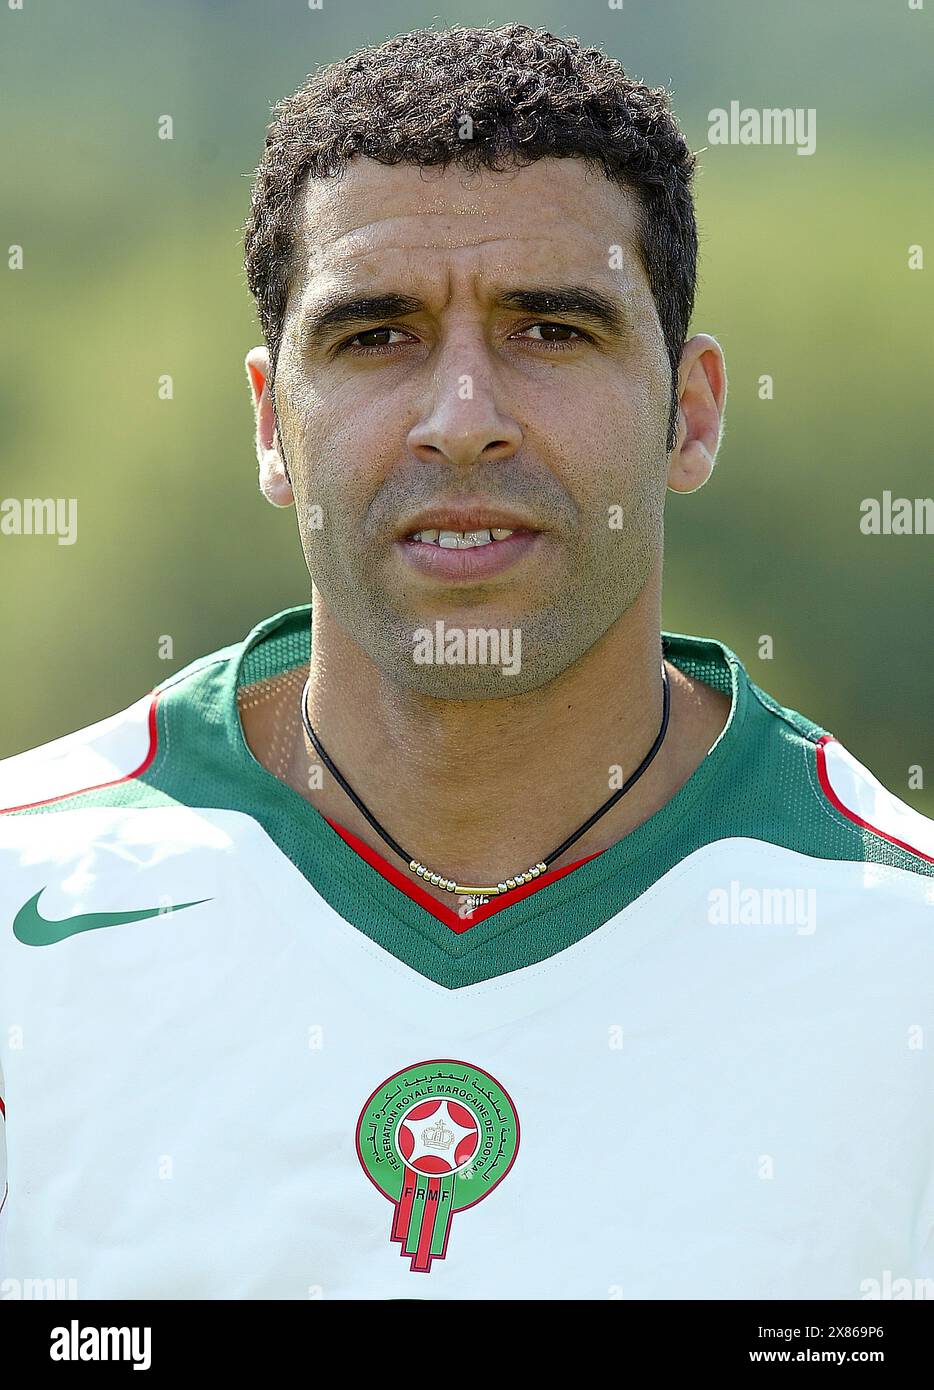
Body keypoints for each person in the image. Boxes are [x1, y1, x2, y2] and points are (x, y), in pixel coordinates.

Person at [1, 24, 931, 1300]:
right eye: (376, 336)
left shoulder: (902, 962)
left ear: (691, 412)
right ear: (272, 425)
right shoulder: (21, 909)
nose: (462, 419)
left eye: (550, 329)